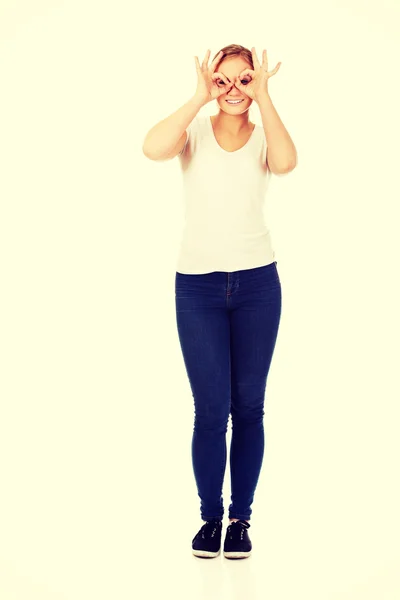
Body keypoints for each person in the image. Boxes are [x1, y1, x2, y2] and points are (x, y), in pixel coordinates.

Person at [142, 44, 297, 559]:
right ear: (212, 82)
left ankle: (241, 518)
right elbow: (152, 147)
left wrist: (266, 97)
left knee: (249, 407)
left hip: (257, 286)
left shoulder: (262, 135)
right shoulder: (196, 133)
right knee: (211, 411)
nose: (233, 90)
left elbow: (287, 162)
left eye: (244, 79)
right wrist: (196, 96)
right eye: (223, 80)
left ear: (256, 82)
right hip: (199, 288)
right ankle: (210, 519)